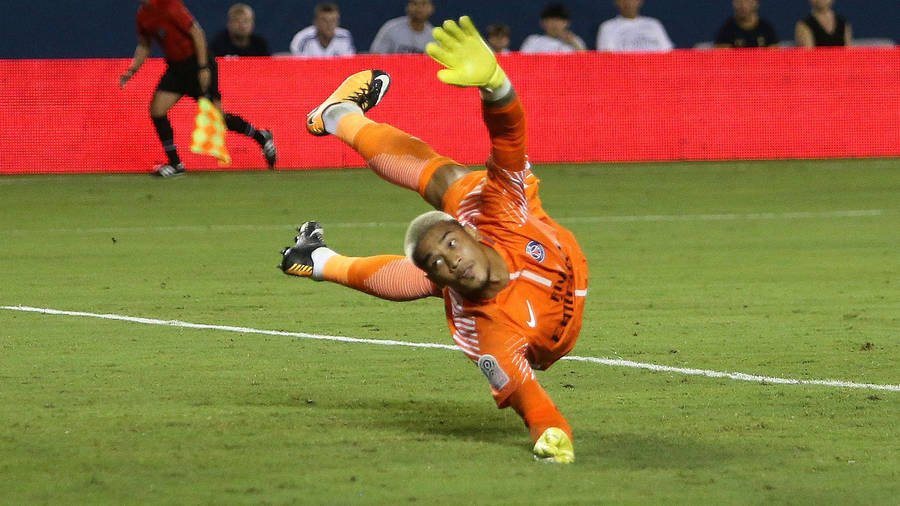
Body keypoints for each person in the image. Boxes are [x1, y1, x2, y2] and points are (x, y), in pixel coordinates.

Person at [280, 16, 588, 463]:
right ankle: (323, 244)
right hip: (547, 333)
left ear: (465, 228)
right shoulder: (486, 332)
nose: (451, 260)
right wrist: (551, 430)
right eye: (438, 263)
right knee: (439, 211)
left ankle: (336, 125)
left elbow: (509, 138)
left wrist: (496, 85)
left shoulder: (499, 211)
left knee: (449, 178)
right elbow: (527, 395)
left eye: (450, 244)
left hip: (530, 243)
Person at [120, 0, 276, 176]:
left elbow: (197, 33)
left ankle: (261, 137)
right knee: (157, 110)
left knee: (218, 120)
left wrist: (203, 67)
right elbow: (144, 45)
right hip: (177, 69)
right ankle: (175, 164)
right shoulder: (143, 15)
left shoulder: (170, 5)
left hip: (197, 63)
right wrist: (132, 69)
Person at [596, 0, 674, 52]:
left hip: (655, 72)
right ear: (617, 2)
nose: (629, 2)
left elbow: (668, 52)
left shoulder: (654, 24)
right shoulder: (607, 27)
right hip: (625, 74)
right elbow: (607, 59)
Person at [289, 2, 356, 57]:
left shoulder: (345, 37)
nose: (329, 25)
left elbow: (348, 66)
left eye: (333, 20)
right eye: (324, 20)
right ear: (315, 22)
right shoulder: (302, 39)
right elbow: (298, 68)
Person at [369, 0, 435, 54]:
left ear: (431, 8)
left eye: (424, 4)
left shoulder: (434, 37)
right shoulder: (391, 28)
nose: (419, 8)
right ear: (408, 7)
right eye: (415, 3)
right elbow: (375, 56)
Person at [520, 3, 586, 53]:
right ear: (542, 23)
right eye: (551, 20)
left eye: (559, 20)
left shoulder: (576, 41)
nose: (555, 24)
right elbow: (522, 64)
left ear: (567, 23)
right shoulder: (533, 41)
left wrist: (575, 44)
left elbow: (588, 65)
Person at [714, 0, 779, 48]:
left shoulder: (767, 29)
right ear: (734, 3)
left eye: (747, 1)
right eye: (739, 1)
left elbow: (775, 57)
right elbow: (722, 59)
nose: (743, 6)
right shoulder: (726, 30)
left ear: (756, 3)